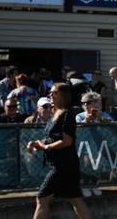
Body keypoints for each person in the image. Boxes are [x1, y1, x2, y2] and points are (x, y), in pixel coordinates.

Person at [26, 83, 91, 219]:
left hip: (63, 166)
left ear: (62, 95)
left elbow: (67, 141)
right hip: (63, 165)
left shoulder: (67, 114)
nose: (50, 95)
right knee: (75, 199)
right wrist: (38, 144)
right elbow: (52, 138)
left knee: (42, 199)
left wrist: (46, 147)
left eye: (53, 93)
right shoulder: (55, 114)